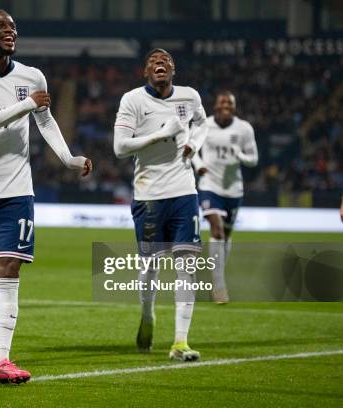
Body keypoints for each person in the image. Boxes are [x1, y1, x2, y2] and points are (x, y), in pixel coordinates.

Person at [0, 9, 92, 383]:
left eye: (13, 26)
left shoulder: (32, 76)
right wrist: (26, 105)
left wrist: (69, 159)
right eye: (1, 25)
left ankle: (2, 359)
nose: (10, 30)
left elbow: (45, 121)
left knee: (8, 270)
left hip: (16, 192)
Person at [113, 48, 208, 361]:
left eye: (165, 60)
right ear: (145, 72)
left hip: (184, 191)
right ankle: (147, 312)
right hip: (149, 195)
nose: (160, 64)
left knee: (187, 266)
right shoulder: (133, 100)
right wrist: (159, 135)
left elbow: (202, 122)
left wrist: (194, 143)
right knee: (150, 265)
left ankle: (180, 341)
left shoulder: (189, 97)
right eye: (153, 62)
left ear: (173, 69)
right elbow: (120, 147)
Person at [192, 91, 258, 304]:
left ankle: (216, 275)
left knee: (226, 236)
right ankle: (219, 286)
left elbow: (253, 159)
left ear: (234, 106)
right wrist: (200, 165)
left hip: (234, 190)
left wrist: (240, 156)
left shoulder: (244, 128)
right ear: (215, 105)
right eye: (222, 102)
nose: (225, 105)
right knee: (217, 230)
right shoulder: (204, 125)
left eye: (229, 102)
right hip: (209, 186)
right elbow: (192, 149)